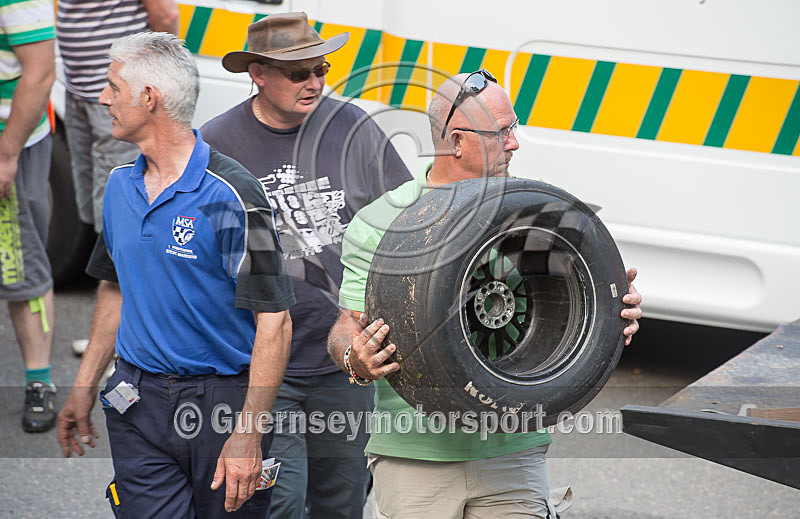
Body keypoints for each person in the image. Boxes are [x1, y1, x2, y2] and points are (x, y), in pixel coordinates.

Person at [328, 70, 643, 518]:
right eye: (501, 133)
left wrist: (611, 316)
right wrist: (354, 360)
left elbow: (574, 309)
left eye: (513, 128)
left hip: (512, 453)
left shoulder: (535, 216)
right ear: (457, 142)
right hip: (417, 457)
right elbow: (347, 325)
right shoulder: (383, 222)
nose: (514, 143)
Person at [56, 32, 295, 518]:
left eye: (112, 87)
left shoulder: (233, 196)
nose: (103, 98)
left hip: (222, 407)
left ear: (149, 98)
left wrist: (248, 434)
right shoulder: (120, 186)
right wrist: (83, 385)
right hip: (136, 402)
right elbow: (114, 286)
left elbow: (276, 321)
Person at [201, 12, 412, 519]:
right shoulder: (215, 145)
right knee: (282, 501)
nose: (314, 82)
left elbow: (407, 219)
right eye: (300, 73)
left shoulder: (355, 128)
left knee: (342, 503)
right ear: (258, 74)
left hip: (345, 360)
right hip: (263, 364)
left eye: (321, 70)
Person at [57, 0, 179, 357]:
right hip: (81, 93)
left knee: (128, 224)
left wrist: (156, 88)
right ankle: (112, 336)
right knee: (101, 220)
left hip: (121, 101)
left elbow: (165, 15)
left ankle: (131, 344)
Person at [0, 0, 57, 433]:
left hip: (10, 139)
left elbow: (39, 72)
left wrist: (6, 154)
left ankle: (39, 382)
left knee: (19, 265)